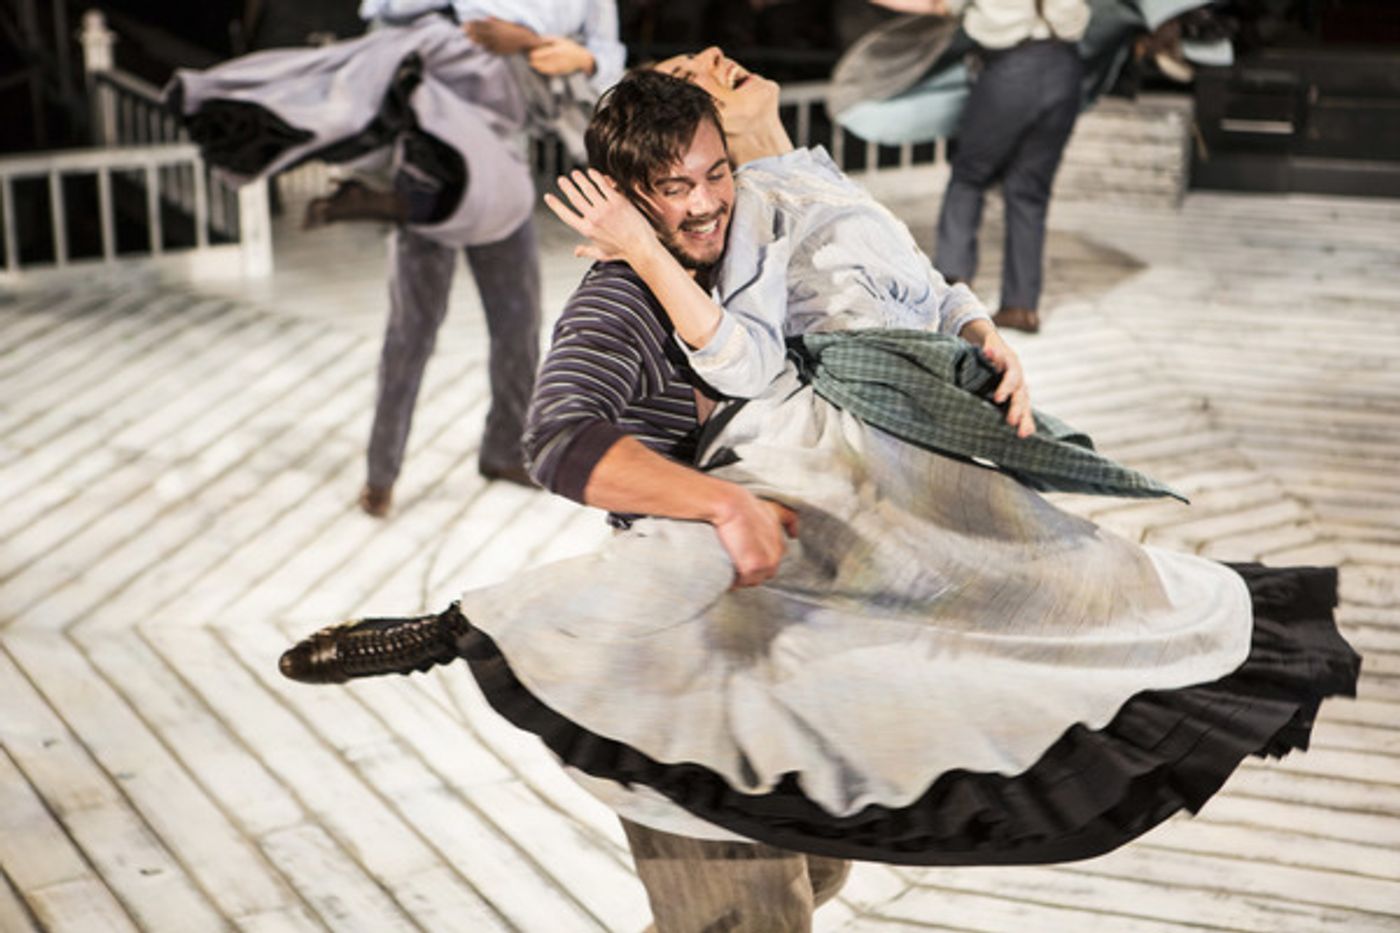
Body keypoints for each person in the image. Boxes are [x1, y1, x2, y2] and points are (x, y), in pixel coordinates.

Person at [278, 59, 1358, 932]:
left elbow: (908, 286)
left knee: (1011, 590)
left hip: (818, 572)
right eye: (674, 186)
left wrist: (976, 335)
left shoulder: (783, 194)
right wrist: (717, 500)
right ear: (626, 194)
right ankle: (450, 631)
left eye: (711, 172)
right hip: (701, 648)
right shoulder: (621, 300)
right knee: (731, 894)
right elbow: (563, 440)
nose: (702, 198)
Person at [167, 2, 625, 514]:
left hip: (502, 166)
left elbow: (608, 57)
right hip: (431, 153)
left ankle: (503, 452)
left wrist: (553, 49)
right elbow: (382, 16)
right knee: (411, 330)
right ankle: (381, 473)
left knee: (518, 325)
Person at [866, 0, 1089, 334]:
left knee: (969, 177)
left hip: (1012, 70)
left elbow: (936, 4)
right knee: (1028, 191)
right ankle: (1022, 306)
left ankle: (951, 293)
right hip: (1065, 68)